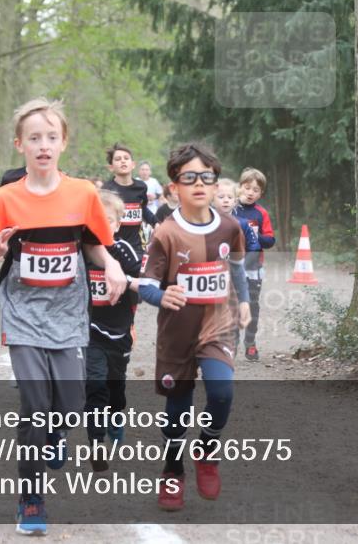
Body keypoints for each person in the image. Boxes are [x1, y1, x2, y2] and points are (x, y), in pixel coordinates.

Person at [0, 99, 126, 536]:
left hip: (68, 312)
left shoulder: (82, 194)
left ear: (63, 143)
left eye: (51, 137)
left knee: (71, 404)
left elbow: (95, 244)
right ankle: (32, 499)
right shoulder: (4, 199)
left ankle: (55, 435)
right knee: (36, 405)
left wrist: (111, 265)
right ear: (20, 145)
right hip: (22, 312)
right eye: (34, 138)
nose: (43, 145)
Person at [138, 143, 251, 511]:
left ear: (217, 185)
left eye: (207, 177)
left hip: (218, 324)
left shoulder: (231, 227)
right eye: (189, 178)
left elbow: (235, 268)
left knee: (222, 393)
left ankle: (206, 449)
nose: (199, 184)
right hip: (177, 332)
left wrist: (245, 301)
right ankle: (173, 469)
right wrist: (162, 296)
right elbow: (148, 285)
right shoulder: (165, 233)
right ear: (174, 187)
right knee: (177, 411)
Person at [84, 189, 142, 468]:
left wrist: (125, 281)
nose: (103, 225)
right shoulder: (80, 250)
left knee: (115, 389)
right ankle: (96, 444)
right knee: (95, 384)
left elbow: (144, 283)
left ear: (118, 224)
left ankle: (116, 416)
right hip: (89, 329)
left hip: (119, 331)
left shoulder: (125, 251)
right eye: (98, 219)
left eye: (109, 220)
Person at [234, 167, 275, 361]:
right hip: (230, 265)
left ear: (261, 193)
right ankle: (229, 344)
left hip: (253, 267)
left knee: (252, 306)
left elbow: (270, 240)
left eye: (256, 190)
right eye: (247, 187)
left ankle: (250, 343)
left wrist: (253, 234)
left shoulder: (261, 213)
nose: (251, 192)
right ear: (240, 187)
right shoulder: (230, 208)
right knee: (230, 306)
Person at [215, 178, 261, 348]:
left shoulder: (242, 224)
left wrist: (241, 264)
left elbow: (254, 246)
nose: (226, 200)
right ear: (212, 199)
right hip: (212, 277)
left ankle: (230, 345)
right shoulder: (205, 224)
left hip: (235, 276)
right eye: (221, 197)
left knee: (233, 310)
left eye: (229, 197)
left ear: (235, 201)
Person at [103, 143, 157, 258]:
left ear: (133, 165)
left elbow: (143, 209)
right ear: (111, 167)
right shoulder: (106, 190)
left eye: (126, 158)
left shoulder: (141, 187)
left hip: (137, 247)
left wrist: (156, 223)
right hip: (114, 247)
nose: (123, 161)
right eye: (118, 159)